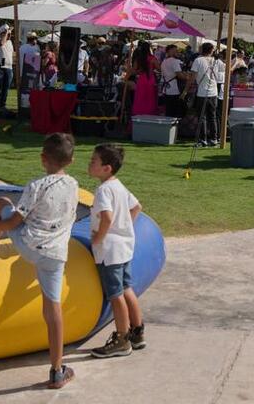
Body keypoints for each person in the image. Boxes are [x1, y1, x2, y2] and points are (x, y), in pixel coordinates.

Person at [0, 133, 79, 389]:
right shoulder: (73, 185)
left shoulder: (36, 185)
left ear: (42, 158)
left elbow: (14, 222)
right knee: (53, 310)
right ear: (70, 161)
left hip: (29, 244)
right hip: (56, 254)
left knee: (1, 203)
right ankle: (57, 371)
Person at [87, 144, 147, 358]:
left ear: (107, 168)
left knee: (115, 295)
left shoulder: (104, 190)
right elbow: (137, 206)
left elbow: (107, 217)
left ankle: (122, 339)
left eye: (94, 161)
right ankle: (137, 332)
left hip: (109, 251)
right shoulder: (118, 186)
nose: (89, 163)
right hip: (124, 248)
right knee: (126, 288)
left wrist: (99, 238)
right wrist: (125, 227)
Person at [189, 43, 220, 146]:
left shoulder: (198, 61)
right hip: (214, 92)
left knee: (202, 117)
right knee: (212, 117)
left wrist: (186, 90)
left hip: (202, 92)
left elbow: (193, 77)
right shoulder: (216, 61)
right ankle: (214, 139)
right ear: (211, 50)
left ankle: (203, 139)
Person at [159, 45, 185, 118]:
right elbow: (180, 75)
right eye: (175, 50)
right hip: (174, 89)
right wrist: (187, 77)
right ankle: (173, 128)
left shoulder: (163, 62)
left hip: (166, 89)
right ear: (169, 51)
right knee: (174, 112)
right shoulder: (175, 61)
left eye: (177, 50)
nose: (176, 52)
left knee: (168, 111)